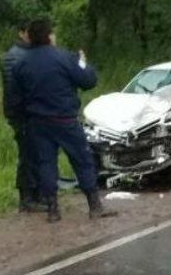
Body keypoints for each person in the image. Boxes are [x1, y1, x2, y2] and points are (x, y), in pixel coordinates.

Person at [12, 19, 115, 223]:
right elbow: (88, 80)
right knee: (82, 159)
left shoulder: (21, 63)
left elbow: (16, 98)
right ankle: (94, 205)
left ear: (30, 37)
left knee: (46, 163)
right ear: (49, 35)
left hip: (38, 122)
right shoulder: (64, 57)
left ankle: (52, 209)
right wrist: (83, 62)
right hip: (65, 119)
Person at [0, 20, 44, 213]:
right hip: (23, 114)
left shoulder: (24, 54)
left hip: (26, 112)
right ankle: (27, 198)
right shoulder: (15, 57)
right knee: (28, 155)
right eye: (29, 32)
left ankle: (34, 195)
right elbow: (15, 90)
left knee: (34, 153)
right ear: (22, 33)